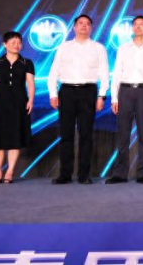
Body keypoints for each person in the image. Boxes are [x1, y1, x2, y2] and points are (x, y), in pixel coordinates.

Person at [48, 14, 109, 185]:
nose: (84, 26)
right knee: (66, 134)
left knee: (86, 135)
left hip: (88, 92)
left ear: (91, 28)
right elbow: (54, 71)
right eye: (80, 23)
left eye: (88, 24)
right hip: (66, 91)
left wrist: (101, 95)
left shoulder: (98, 48)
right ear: (74, 27)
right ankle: (65, 174)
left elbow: (104, 73)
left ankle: (84, 174)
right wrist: (53, 93)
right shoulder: (64, 47)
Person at [105, 16, 143, 185]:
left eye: (141, 24)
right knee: (123, 134)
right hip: (125, 91)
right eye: (135, 24)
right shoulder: (123, 48)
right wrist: (114, 98)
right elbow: (116, 73)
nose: (138, 27)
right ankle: (120, 173)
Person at [0, 31, 35, 184]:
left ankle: (10, 171)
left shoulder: (27, 63)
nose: (16, 45)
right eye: (13, 42)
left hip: (19, 103)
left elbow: (30, 83)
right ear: (4, 45)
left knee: (15, 137)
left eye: (19, 42)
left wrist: (31, 100)